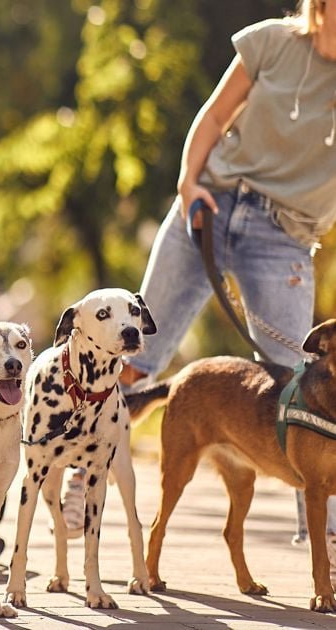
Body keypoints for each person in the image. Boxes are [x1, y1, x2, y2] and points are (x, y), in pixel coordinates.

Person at [106, 0, 336, 562]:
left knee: (303, 387)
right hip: (206, 211)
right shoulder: (270, 43)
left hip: (282, 237)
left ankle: (325, 534)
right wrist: (188, 184)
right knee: (134, 357)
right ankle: (78, 480)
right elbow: (212, 118)